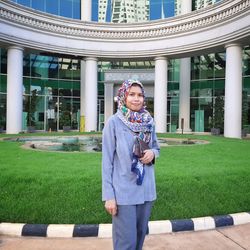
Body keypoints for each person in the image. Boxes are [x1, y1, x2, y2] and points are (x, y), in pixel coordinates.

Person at [102, 79, 160, 250]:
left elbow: (156, 147)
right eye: (132, 94)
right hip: (123, 193)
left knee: (140, 236)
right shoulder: (113, 123)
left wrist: (152, 153)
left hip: (146, 190)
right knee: (126, 242)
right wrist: (109, 196)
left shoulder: (149, 122)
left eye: (140, 95)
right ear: (123, 97)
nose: (137, 99)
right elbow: (107, 162)